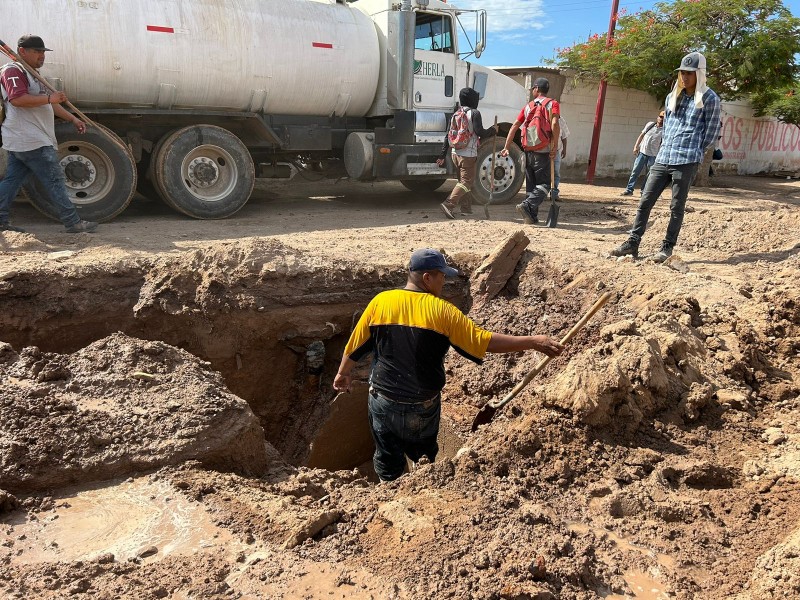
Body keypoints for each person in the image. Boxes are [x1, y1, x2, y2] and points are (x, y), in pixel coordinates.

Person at [333, 248, 564, 482]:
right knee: (423, 458)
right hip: (421, 404)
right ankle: (420, 488)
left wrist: (343, 373)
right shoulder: (443, 312)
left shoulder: (380, 302)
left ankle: (387, 490)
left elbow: (356, 343)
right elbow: (483, 341)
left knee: (386, 456)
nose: (444, 281)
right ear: (427, 278)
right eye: (442, 275)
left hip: (382, 400)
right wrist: (533, 341)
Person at [611, 52, 720, 263]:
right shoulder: (672, 96)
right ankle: (632, 243)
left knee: (676, 207)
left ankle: (666, 248)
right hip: (663, 157)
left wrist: (694, 149)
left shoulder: (710, 98)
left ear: (699, 74)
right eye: (682, 73)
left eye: (690, 73)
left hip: (686, 159)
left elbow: (711, 133)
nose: (685, 77)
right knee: (645, 200)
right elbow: (667, 126)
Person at [0, 35, 97, 233]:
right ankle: (73, 222)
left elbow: (51, 105)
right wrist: (49, 97)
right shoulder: (13, 70)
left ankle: (1, 220)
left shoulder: (33, 74)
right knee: (55, 181)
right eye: (37, 51)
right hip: (30, 138)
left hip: (27, 139)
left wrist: (72, 118)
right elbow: (17, 99)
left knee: (12, 181)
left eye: (43, 51)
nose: (41, 55)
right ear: (22, 51)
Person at [500, 77, 560, 224]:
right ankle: (527, 206)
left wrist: (506, 146)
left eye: (533, 88)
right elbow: (555, 124)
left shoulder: (528, 107)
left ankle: (531, 217)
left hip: (528, 152)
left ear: (536, 89)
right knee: (545, 185)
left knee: (532, 187)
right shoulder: (553, 104)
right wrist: (554, 146)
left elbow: (515, 126)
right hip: (543, 151)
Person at [436, 87, 496, 219]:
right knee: (466, 182)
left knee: (462, 181)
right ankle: (449, 204)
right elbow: (480, 132)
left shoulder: (456, 114)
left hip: (454, 153)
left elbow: (448, 136)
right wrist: (492, 130)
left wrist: (442, 155)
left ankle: (466, 209)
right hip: (468, 154)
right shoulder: (474, 113)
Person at [620, 111, 664, 196]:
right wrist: (636, 146)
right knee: (635, 171)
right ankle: (629, 189)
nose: (661, 119)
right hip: (642, 153)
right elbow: (641, 135)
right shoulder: (650, 125)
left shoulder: (665, 131)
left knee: (649, 175)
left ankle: (643, 191)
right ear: (657, 117)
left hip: (653, 155)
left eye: (664, 118)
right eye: (660, 117)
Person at [552, 115, 570, 201]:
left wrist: (564, 149)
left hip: (557, 151)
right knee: (544, 173)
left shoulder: (561, 120)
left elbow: (564, 136)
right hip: (544, 151)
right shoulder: (544, 117)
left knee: (556, 173)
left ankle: (554, 194)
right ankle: (541, 194)